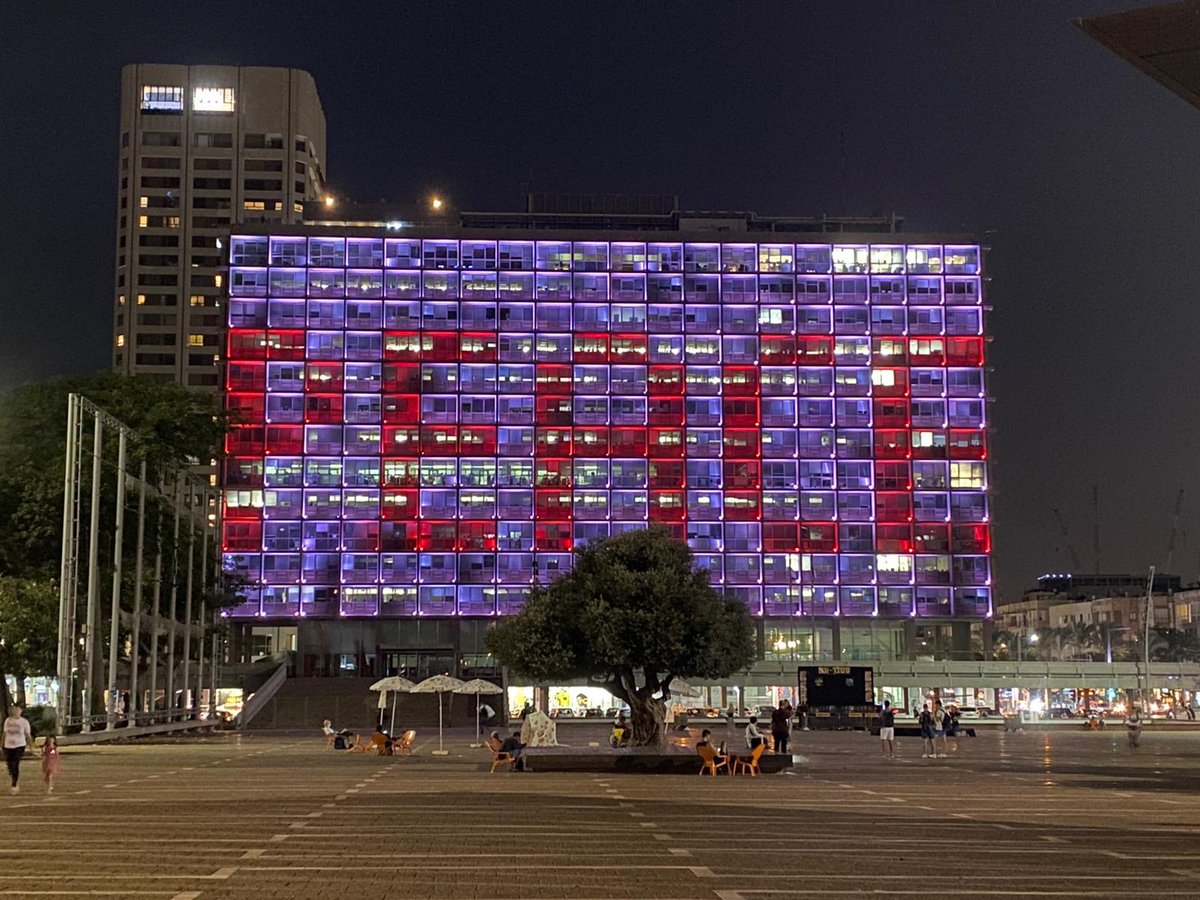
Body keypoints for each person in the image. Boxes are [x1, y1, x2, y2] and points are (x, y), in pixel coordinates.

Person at [3, 705, 32, 794]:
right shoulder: (8, 720)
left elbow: (27, 735)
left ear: (21, 711)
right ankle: (13, 775)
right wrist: (1, 744)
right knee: (9, 764)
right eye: (14, 709)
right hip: (8, 745)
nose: (16, 711)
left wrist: (31, 746)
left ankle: (14, 784)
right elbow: (4, 733)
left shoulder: (24, 722)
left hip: (19, 745)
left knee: (15, 763)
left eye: (18, 709)